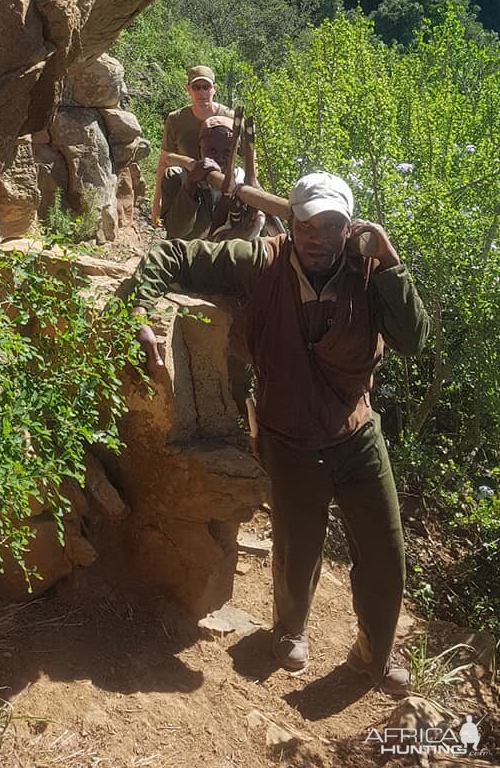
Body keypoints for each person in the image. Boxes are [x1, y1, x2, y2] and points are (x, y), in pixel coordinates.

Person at [126, 170, 429, 697]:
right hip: (287, 433)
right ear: (292, 224)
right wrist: (137, 309)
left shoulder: (369, 271)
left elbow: (413, 339)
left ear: (348, 227)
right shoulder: (260, 261)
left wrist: (392, 265)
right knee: (296, 546)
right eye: (307, 224)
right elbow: (172, 255)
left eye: (331, 225)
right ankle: (289, 630)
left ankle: (375, 651)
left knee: (384, 549)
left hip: (355, 431)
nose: (317, 237)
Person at [151, 66, 232, 225]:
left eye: (206, 87)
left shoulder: (229, 117)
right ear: (188, 89)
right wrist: (157, 202)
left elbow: (248, 155)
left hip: (221, 182)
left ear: (214, 89)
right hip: (188, 184)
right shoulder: (176, 119)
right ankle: (174, 224)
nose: (202, 92)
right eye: (196, 87)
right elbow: (164, 159)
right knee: (172, 173)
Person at [161, 115, 258, 241]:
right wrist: (191, 184)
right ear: (199, 150)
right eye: (211, 151)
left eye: (227, 152)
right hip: (183, 256)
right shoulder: (176, 177)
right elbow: (176, 231)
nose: (219, 158)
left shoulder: (241, 181)